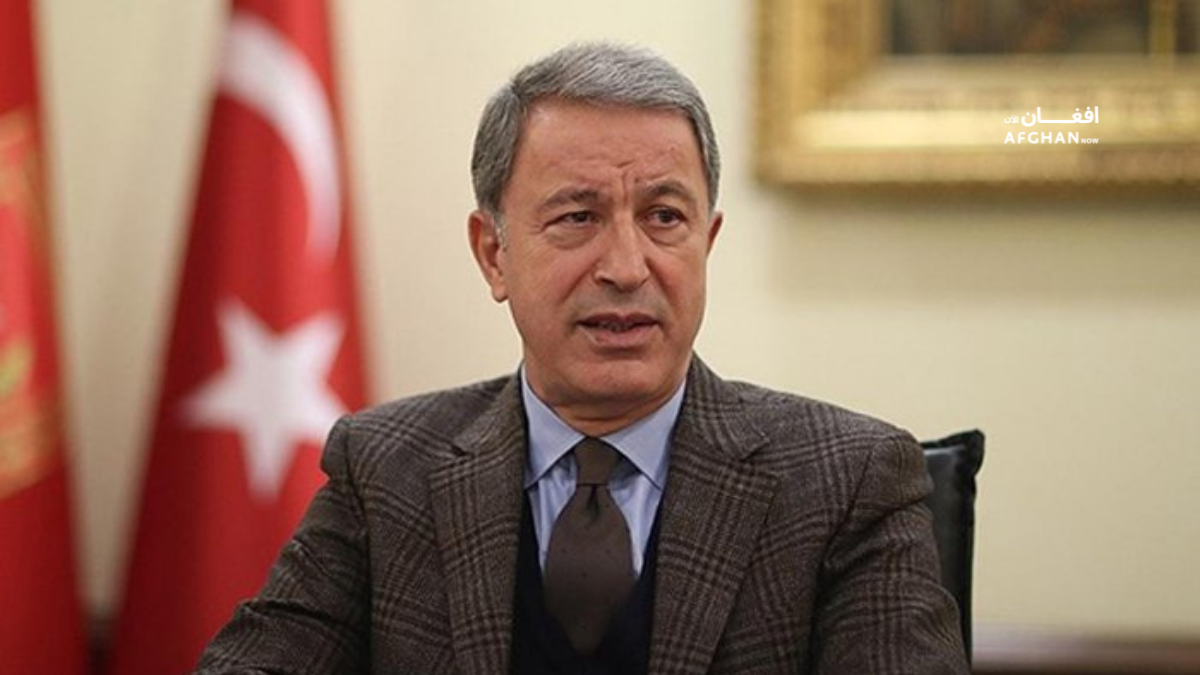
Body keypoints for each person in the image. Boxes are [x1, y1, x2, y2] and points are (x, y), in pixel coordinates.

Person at [194, 42, 969, 675]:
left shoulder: (848, 480)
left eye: (664, 216)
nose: (626, 266)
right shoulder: (385, 469)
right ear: (493, 253)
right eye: (577, 217)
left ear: (706, 243)